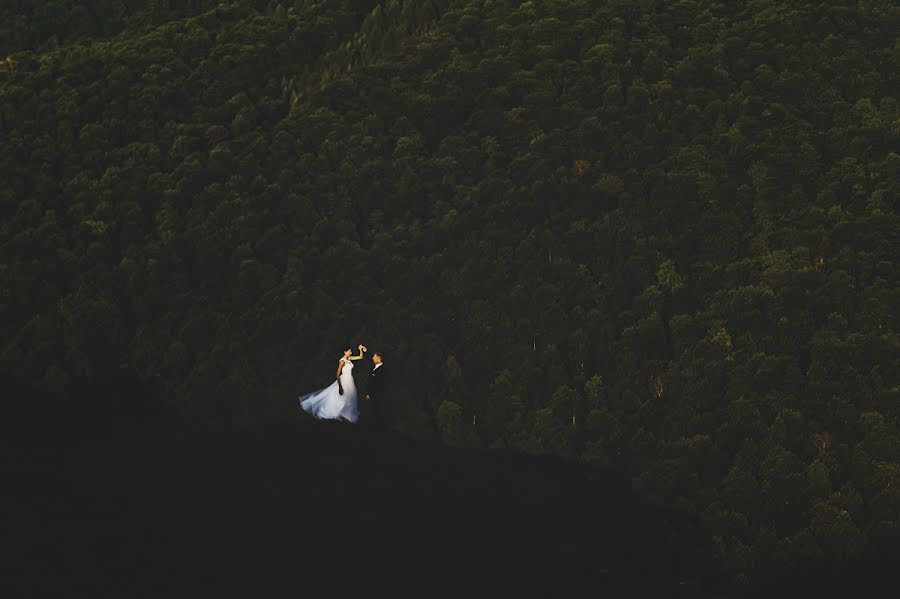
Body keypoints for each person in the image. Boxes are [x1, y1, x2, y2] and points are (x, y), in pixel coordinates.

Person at [298, 345, 367, 422]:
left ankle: (347, 414)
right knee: (342, 397)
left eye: (351, 351)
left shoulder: (349, 359)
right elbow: (337, 374)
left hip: (350, 380)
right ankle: (337, 412)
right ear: (345, 352)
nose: (351, 352)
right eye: (349, 351)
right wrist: (340, 386)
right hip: (344, 380)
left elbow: (360, 357)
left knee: (350, 397)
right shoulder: (342, 361)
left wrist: (360, 349)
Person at [365, 352, 387, 427]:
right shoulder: (375, 367)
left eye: (374, 357)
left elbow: (378, 384)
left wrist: (370, 394)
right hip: (372, 394)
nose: (372, 358)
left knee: (377, 412)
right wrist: (365, 351)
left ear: (379, 358)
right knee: (373, 412)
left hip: (377, 395)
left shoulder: (383, 369)